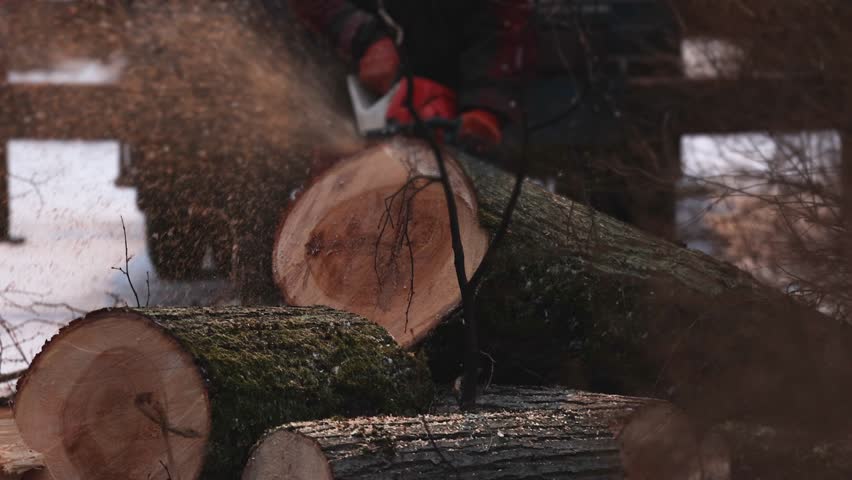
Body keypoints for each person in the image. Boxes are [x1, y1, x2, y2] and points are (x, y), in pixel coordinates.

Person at [287, 0, 544, 150]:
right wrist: (365, 39)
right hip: (340, 83)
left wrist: (485, 109)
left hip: (452, 84)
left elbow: (508, 27)